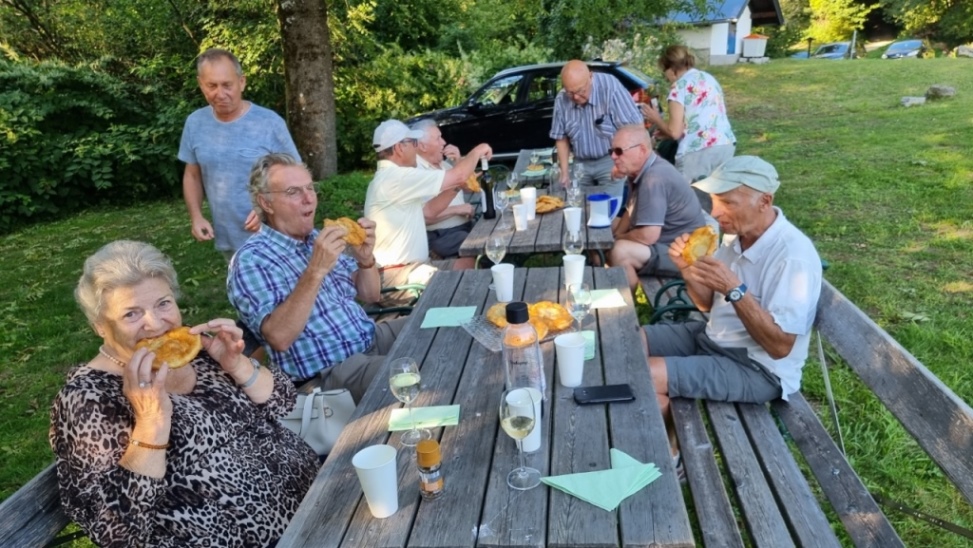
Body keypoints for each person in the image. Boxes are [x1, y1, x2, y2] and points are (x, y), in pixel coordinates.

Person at [50, 240, 317, 547]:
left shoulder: (196, 352)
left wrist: (239, 365)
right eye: (131, 314)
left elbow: (283, 400)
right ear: (100, 327)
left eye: (163, 303)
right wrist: (151, 420)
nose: (155, 324)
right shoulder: (87, 400)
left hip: (310, 500)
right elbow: (116, 531)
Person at [643, 156, 822, 433]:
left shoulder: (792, 256)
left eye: (727, 203)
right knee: (630, 341)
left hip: (758, 368)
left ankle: (674, 456)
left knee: (645, 375)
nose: (714, 213)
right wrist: (687, 268)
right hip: (714, 338)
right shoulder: (735, 237)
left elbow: (780, 347)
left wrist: (735, 290)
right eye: (715, 201)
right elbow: (705, 304)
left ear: (764, 201)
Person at [227, 153, 394, 402]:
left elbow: (371, 295)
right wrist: (316, 270)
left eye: (310, 188)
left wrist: (365, 259)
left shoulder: (316, 238)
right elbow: (279, 337)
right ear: (267, 203)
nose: (308, 199)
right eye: (293, 192)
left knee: (443, 324)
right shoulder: (251, 261)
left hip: (370, 338)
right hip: (330, 374)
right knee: (418, 370)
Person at [178, 48, 301, 260]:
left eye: (227, 85)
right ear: (201, 84)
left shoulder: (269, 123)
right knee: (241, 292)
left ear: (241, 82)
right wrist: (196, 217)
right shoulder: (195, 123)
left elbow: (298, 177)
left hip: (276, 236)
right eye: (212, 86)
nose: (220, 93)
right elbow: (192, 175)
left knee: (288, 292)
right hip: (228, 238)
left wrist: (267, 208)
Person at [364, 119, 491, 279]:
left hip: (415, 268)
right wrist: (479, 150)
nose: (415, 148)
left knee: (469, 265)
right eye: (412, 143)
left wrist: (457, 185)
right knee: (470, 282)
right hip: (399, 275)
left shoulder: (391, 177)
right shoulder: (396, 177)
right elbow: (458, 175)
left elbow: (430, 211)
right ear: (399, 148)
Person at [607, 125, 706, 290]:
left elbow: (648, 236)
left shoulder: (654, 178)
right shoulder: (641, 170)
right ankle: (606, 276)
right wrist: (616, 234)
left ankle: (632, 302)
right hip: (667, 243)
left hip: (685, 254)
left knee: (619, 251)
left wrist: (616, 239)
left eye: (619, 151)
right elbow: (631, 209)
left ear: (642, 150)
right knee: (604, 225)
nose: (613, 157)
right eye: (611, 150)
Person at [641, 45, 736, 211]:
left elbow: (674, 132)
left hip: (698, 151)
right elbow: (698, 117)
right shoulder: (708, 78)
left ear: (670, 69)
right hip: (724, 144)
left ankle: (702, 236)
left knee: (694, 206)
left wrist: (656, 118)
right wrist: (667, 133)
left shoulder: (679, 87)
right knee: (719, 202)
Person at [550, 60, 643, 198]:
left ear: (591, 77)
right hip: (580, 163)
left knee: (608, 209)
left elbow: (635, 128)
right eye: (570, 93)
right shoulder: (561, 99)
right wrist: (564, 172)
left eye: (580, 91)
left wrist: (623, 162)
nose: (575, 97)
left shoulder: (610, 88)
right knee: (577, 206)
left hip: (610, 160)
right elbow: (561, 137)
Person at [412, 119, 477, 270]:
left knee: (496, 232)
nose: (444, 142)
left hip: (464, 226)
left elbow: (470, 188)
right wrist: (457, 209)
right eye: (438, 138)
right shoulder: (416, 172)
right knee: (483, 244)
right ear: (422, 146)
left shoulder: (443, 163)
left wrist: (459, 161)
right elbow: (421, 216)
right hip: (441, 235)